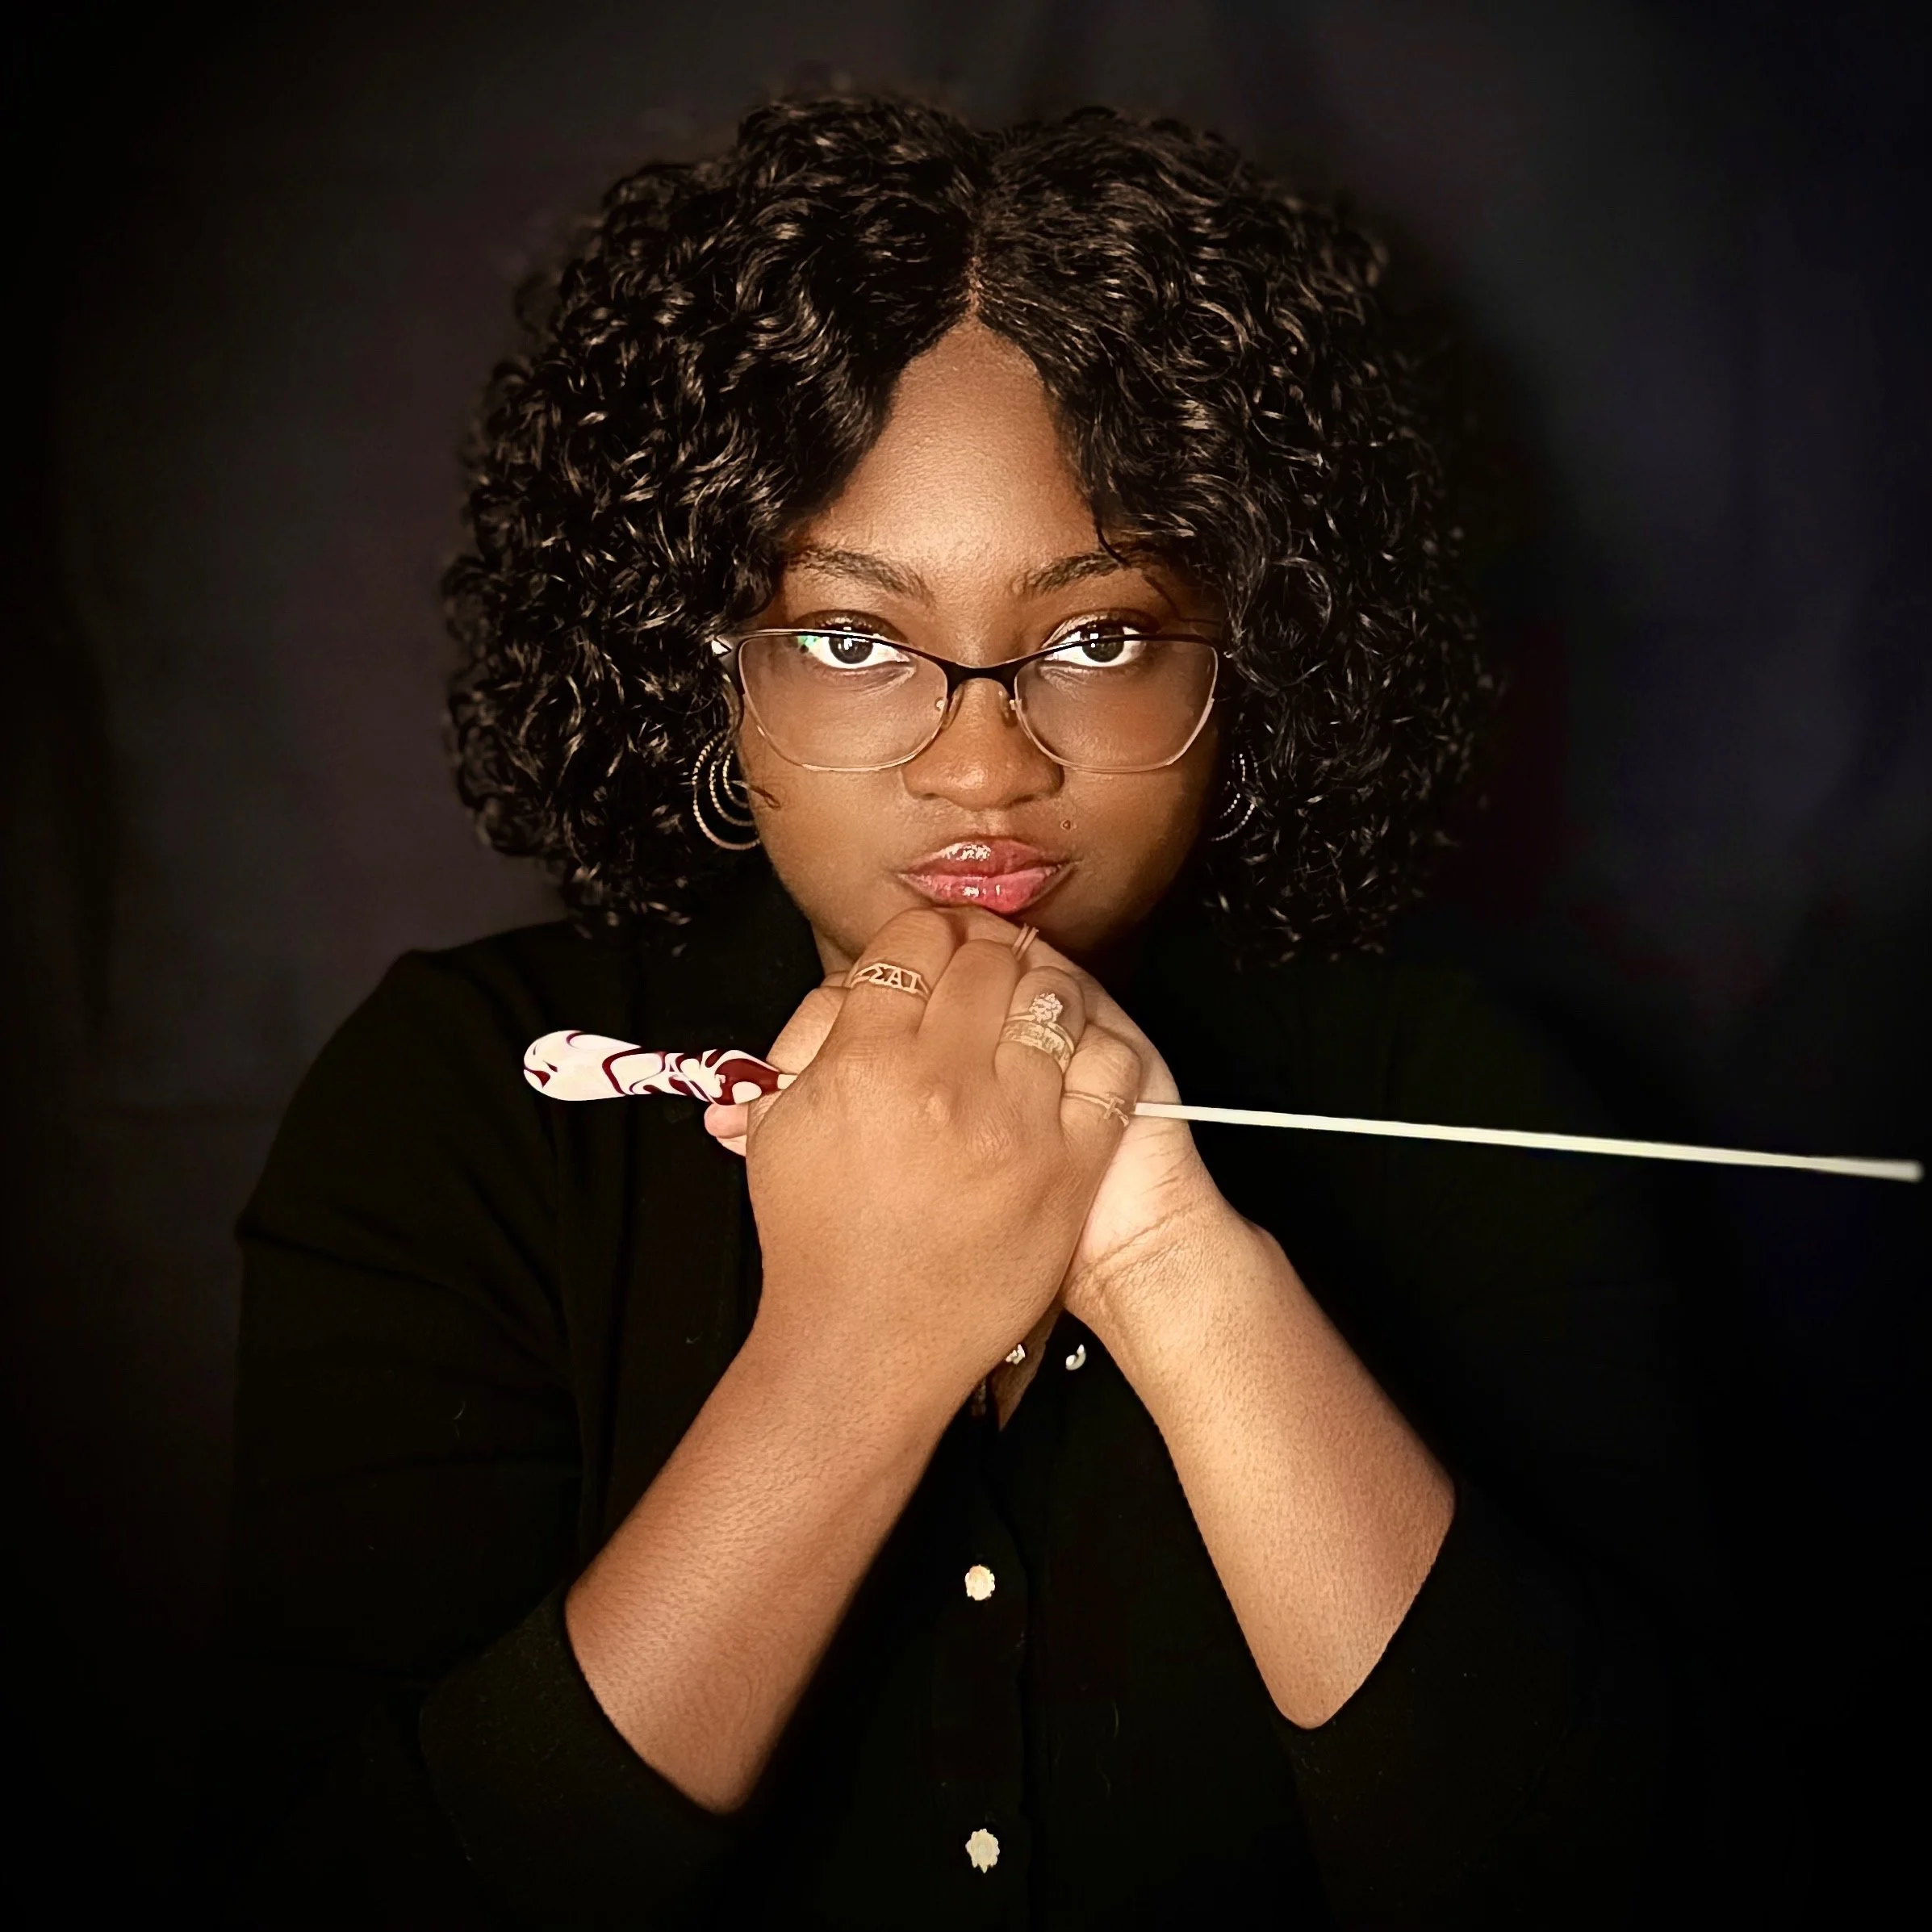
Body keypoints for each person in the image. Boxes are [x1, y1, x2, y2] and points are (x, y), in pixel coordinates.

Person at [203, 94, 1725, 1928]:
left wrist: (1169, 1255)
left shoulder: (1477, 1099)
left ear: (1249, 661)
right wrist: (858, 1345)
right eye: (854, 640)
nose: (986, 766)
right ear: (709, 667)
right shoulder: (469, 1102)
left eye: (1100, 637)